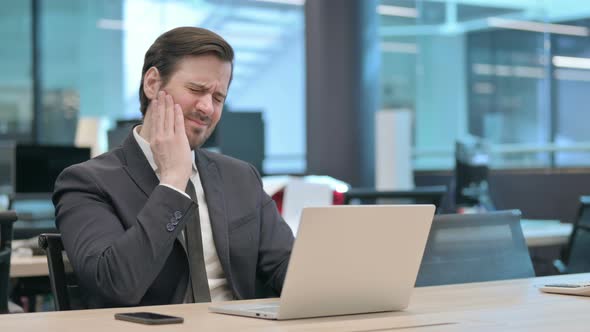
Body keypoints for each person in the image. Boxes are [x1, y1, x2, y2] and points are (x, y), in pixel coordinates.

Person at [52, 27, 294, 308]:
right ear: (153, 83)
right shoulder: (86, 183)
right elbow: (114, 286)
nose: (207, 108)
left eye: (218, 98)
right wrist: (173, 181)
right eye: (196, 90)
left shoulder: (240, 176)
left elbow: (285, 267)